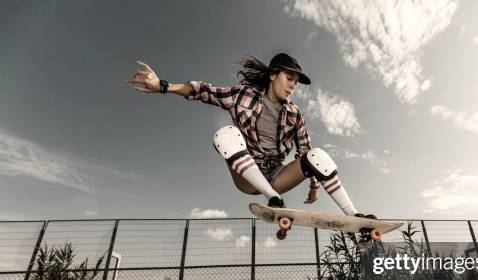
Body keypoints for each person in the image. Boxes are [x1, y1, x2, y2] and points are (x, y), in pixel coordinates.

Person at [127, 53, 373, 218]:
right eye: (289, 78)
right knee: (225, 134)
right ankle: (273, 199)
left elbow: (305, 154)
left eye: (296, 83)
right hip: (247, 176)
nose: (292, 86)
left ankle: (353, 215)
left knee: (318, 155)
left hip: (277, 175)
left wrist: (314, 186)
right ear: (274, 75)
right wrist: (162, 85)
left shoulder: (295, 114)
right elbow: (203, 91)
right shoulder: (242, 95)